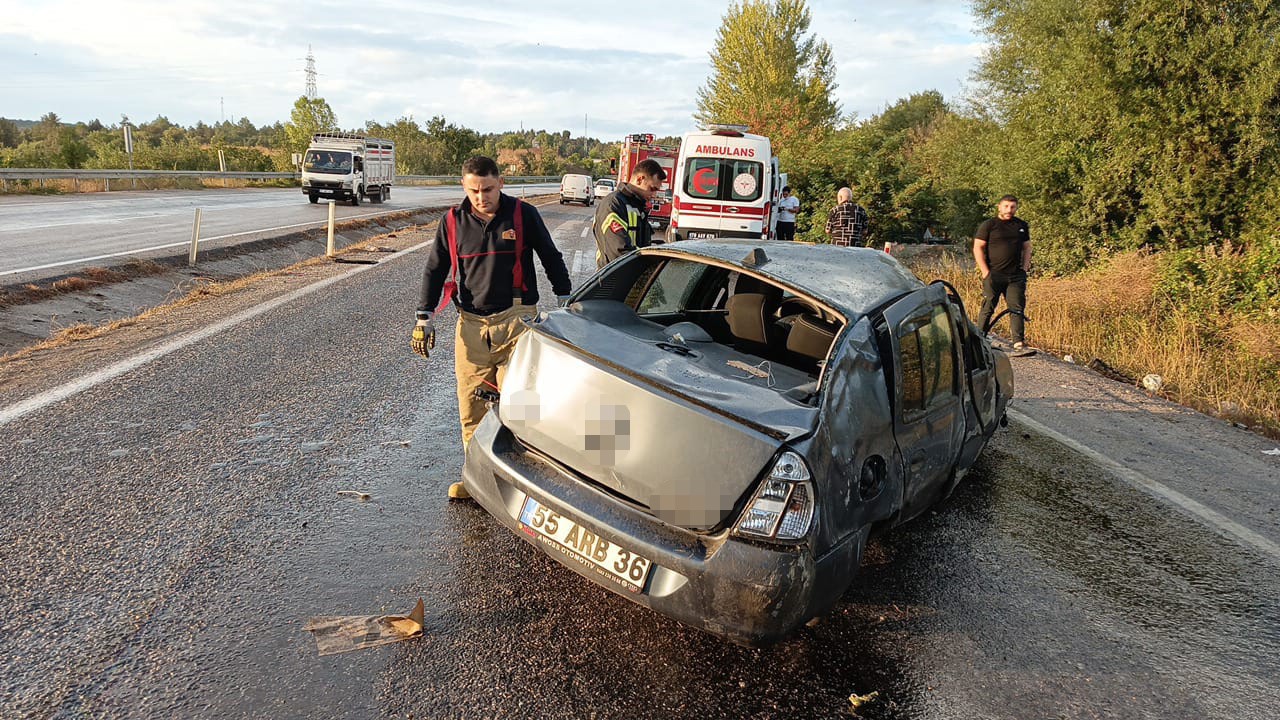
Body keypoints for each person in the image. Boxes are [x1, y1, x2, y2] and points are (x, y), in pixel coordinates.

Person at [411, 155, 572, 499]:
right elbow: (434, 270)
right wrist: (423, 317)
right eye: (474, 191)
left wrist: (565, 297)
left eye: (487, 189)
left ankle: (527, 482)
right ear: (464, 187)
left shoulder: (522, 214)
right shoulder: (452, 222)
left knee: (521, 405)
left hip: (516, 321)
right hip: (471, 326)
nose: (481, 197)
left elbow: (549, 255)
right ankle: (476, 479)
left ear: (501, 182)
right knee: (471, 406)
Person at [973, 195, 1033, 355]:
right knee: (988, 307)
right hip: (994, 274)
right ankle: (979, 339)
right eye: (1006, 206)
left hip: (1015, 276)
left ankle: (1019, 344)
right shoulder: (989, 225)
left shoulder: (1021, 225)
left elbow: (1027, 247)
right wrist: (985, 271)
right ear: (999, 206)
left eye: (1012, 207)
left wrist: (1025, 268)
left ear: (1016, 207)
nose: (1009, 210)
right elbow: (977, 247)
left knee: (1017, 308)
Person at [593, 159, 667, 269]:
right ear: (640, 179)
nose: (654, 194)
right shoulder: (613, 204)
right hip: (614, 279)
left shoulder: (637, 206)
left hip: (630, 277)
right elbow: (620, 251)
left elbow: (640, 245)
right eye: (652, 189)